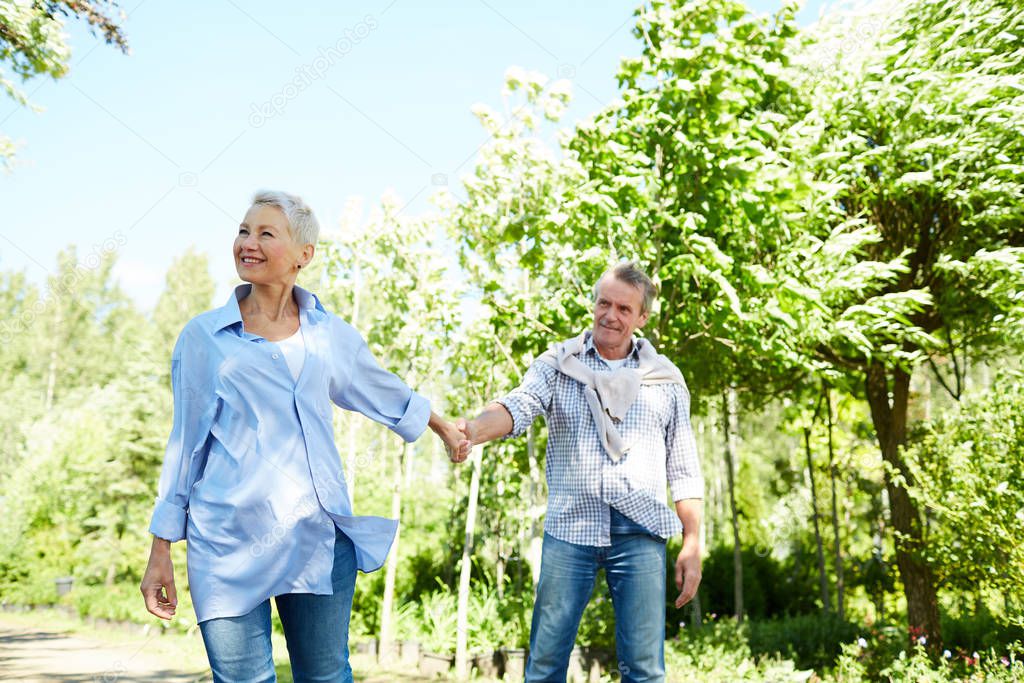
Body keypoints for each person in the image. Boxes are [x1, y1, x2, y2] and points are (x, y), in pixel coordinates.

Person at [140, 190, 469, 683]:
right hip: (227, 543)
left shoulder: (327, 335)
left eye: (265, 234)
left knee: (325, 675)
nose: (247, 243)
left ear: (303, 256)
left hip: (315, 537)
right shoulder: (204, 338)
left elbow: (379, 388)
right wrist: (161, 549)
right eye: (243, 231)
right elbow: (184, 444)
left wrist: (443, 426)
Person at [455, 261, 703, 683]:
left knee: (644, 670)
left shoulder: (666, 381)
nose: (611, 315)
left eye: (625, 309)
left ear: (642, 317)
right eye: (604, 303)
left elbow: (684, 467)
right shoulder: (559, 363)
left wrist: (693, 542)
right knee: (546, 663)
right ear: (593, 304)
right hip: (571, 529)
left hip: (641, 530)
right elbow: (520, 404)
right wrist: (474, 430)